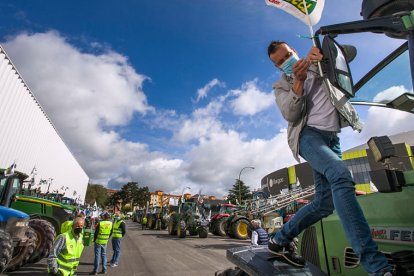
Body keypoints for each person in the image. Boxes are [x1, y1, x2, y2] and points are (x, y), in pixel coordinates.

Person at [266, 41, 393, 275]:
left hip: (332, 139)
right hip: (308, 137)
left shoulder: (318, 61)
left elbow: (350, 52)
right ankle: (377, 267)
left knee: (325, 204)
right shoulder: (282, 85)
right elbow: (290, 113)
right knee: (341, 175)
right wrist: (299, 82)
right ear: (277, 67)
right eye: (279, 62)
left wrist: (325, 55)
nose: (285, 62)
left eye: (287, 56)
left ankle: (278, 240)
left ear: (294, 49)